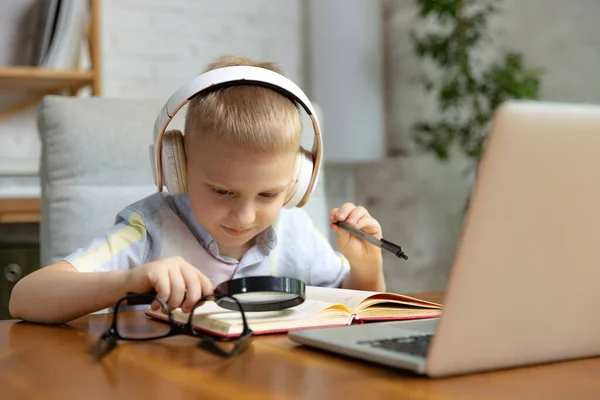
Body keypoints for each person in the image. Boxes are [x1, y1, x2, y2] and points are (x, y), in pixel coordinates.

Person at [9, 55, 386, 324]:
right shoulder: (150, 230)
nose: (245, 216)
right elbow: (24, 298)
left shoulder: (296, 230)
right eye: (223, 192)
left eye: (268, 195)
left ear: (298, 181)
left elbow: (357, 306)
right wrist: (129, 281)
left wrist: (366, 264)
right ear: (178, 168)